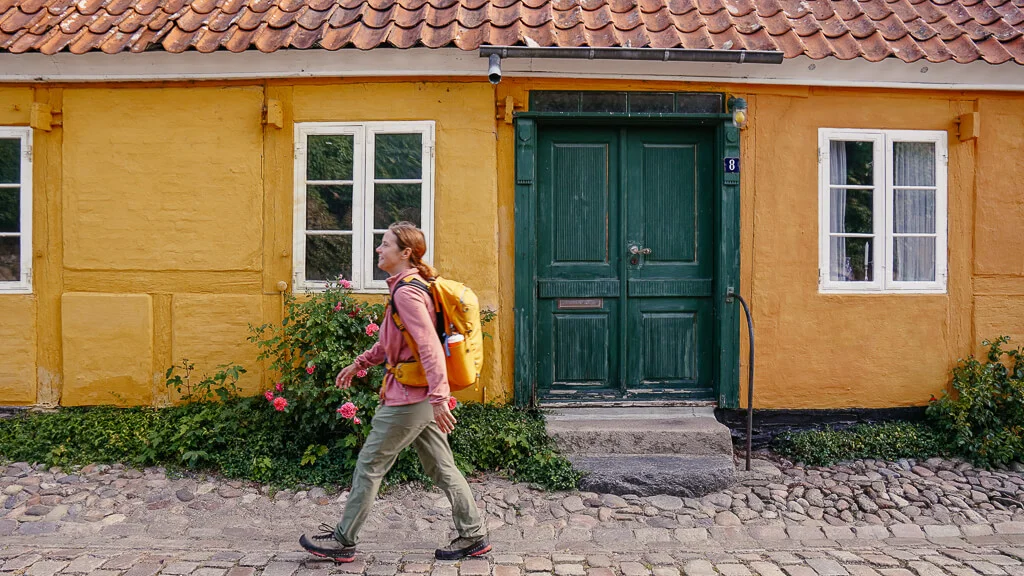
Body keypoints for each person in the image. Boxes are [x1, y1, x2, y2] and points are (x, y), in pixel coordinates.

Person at [299, 222, 490, 563]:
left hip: (409, 398)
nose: (378, 249)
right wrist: (360, 363)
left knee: (370, 464)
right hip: (420, 395)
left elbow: (429, 346)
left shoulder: (407, 293)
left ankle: (344, 541)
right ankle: (473, 535)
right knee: (442, 468)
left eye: (385, 244)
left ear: (405, 253)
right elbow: (394, 342)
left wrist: (439, 398)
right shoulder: (412, 287)